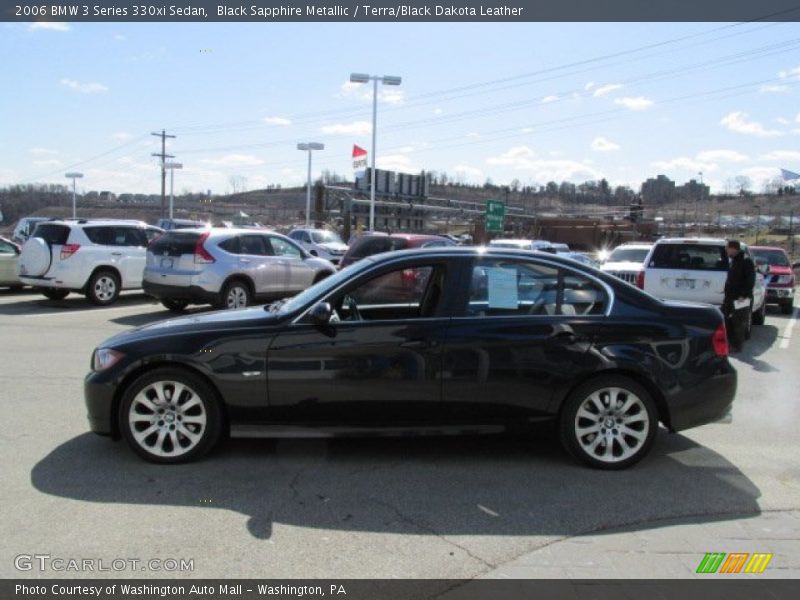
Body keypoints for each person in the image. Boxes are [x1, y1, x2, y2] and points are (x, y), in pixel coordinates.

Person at [723, 240, 756, 353]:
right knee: (727, 320)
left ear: (733, 248)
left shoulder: (746, 261)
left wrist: (743, 295)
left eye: (727, 248)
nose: (726, 250)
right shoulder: (734, 260)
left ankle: (737, 346)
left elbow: (750, 280)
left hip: (741, 298)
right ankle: (728, 343)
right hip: (730, 297)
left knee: (739, 322)